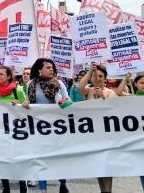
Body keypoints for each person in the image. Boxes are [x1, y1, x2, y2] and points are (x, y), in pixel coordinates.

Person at [27, 58, 70, 193]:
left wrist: (64, 102)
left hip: (57, 127)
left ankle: (62, 182)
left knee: (59, 157)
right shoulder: (30, 84)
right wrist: (24, 104)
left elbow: (68, 101)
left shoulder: (59, 83)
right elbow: (28, 101)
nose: (51, 69)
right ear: (39, 70)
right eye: (47, 67)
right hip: (39, 127)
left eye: (52, 67)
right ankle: (43, 189)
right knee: (41, 159)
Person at [78, 63, 116, 193]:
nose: (98, 78)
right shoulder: (89, 90)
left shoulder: (110, 92)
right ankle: (103, 190)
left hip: (107, 133)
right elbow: (80, 87)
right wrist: (90, 72)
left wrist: (102, 96)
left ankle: (108, 190)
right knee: (99, 165)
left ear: (105, 78)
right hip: (93, 133)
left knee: (108, 163)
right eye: (96, 76)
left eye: (101, 76)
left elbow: (113, 109)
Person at [0, 66, 29, 193]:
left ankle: (22, 187)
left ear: (8, 76)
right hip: (1, 131)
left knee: (18, 160)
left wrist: (18, 105)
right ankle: (5, 187)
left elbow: (27, 108)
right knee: (3, 160)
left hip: (17, 132)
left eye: (2, 74)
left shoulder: (18, 90)